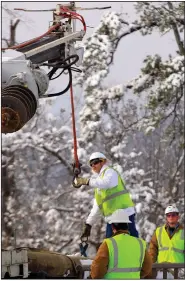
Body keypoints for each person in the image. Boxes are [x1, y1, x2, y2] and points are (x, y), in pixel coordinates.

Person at [73, 152, 139, 239]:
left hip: (125, 216)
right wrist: (88, 224)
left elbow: (106, 183)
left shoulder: (110, 172)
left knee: (132, 243)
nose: (93, 166)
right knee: (110, 246)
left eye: (95, 162)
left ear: (103, 162)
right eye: (91, 164)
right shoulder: (98, 185)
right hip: (111, 220)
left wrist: (86, 181)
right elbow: (97, 207)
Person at [90, 209, 152, 279]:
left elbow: (97, 270)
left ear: (113, 226)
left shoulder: (108, 243)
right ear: (127, 225)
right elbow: (148, 265)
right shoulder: (140, 243)